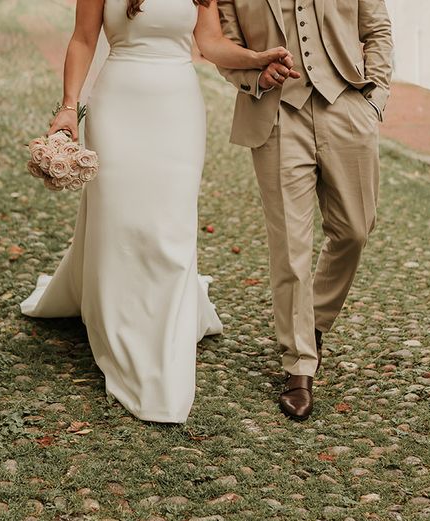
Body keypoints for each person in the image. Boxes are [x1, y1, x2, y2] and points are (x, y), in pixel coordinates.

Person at [20, 0, 293, 424]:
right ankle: (120, 332)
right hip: (118, 106)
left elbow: (210, 43)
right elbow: (83, 38)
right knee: (121, 223)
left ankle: (165, 346)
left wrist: (256, 60)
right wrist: (69, 107)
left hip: (178, 110)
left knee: (170, 228)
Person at [217, 0, 393, 420]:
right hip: (276, 114)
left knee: (355, 230)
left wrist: (375, 96)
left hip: (347, 106)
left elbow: (377, 29)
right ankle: (299, 365)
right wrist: (255, 75)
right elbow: (223, 45)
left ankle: (310, 321)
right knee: (291, 246)